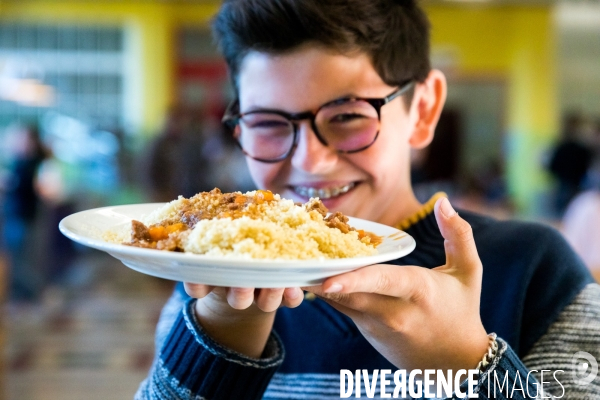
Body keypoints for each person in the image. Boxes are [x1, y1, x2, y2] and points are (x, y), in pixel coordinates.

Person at [136, 1, 600, 399]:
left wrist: (467, 365)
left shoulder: (533, 271)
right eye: (268, 122)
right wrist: (220, 337)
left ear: (423, 110)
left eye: (347, 117)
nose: (311, 161)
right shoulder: (208, 277)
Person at [547, 113, 594, 217]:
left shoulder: (563, 146)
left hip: (566, 184)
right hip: (574, 184)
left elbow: (552, 166)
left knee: (563, 216)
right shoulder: (581, 148)